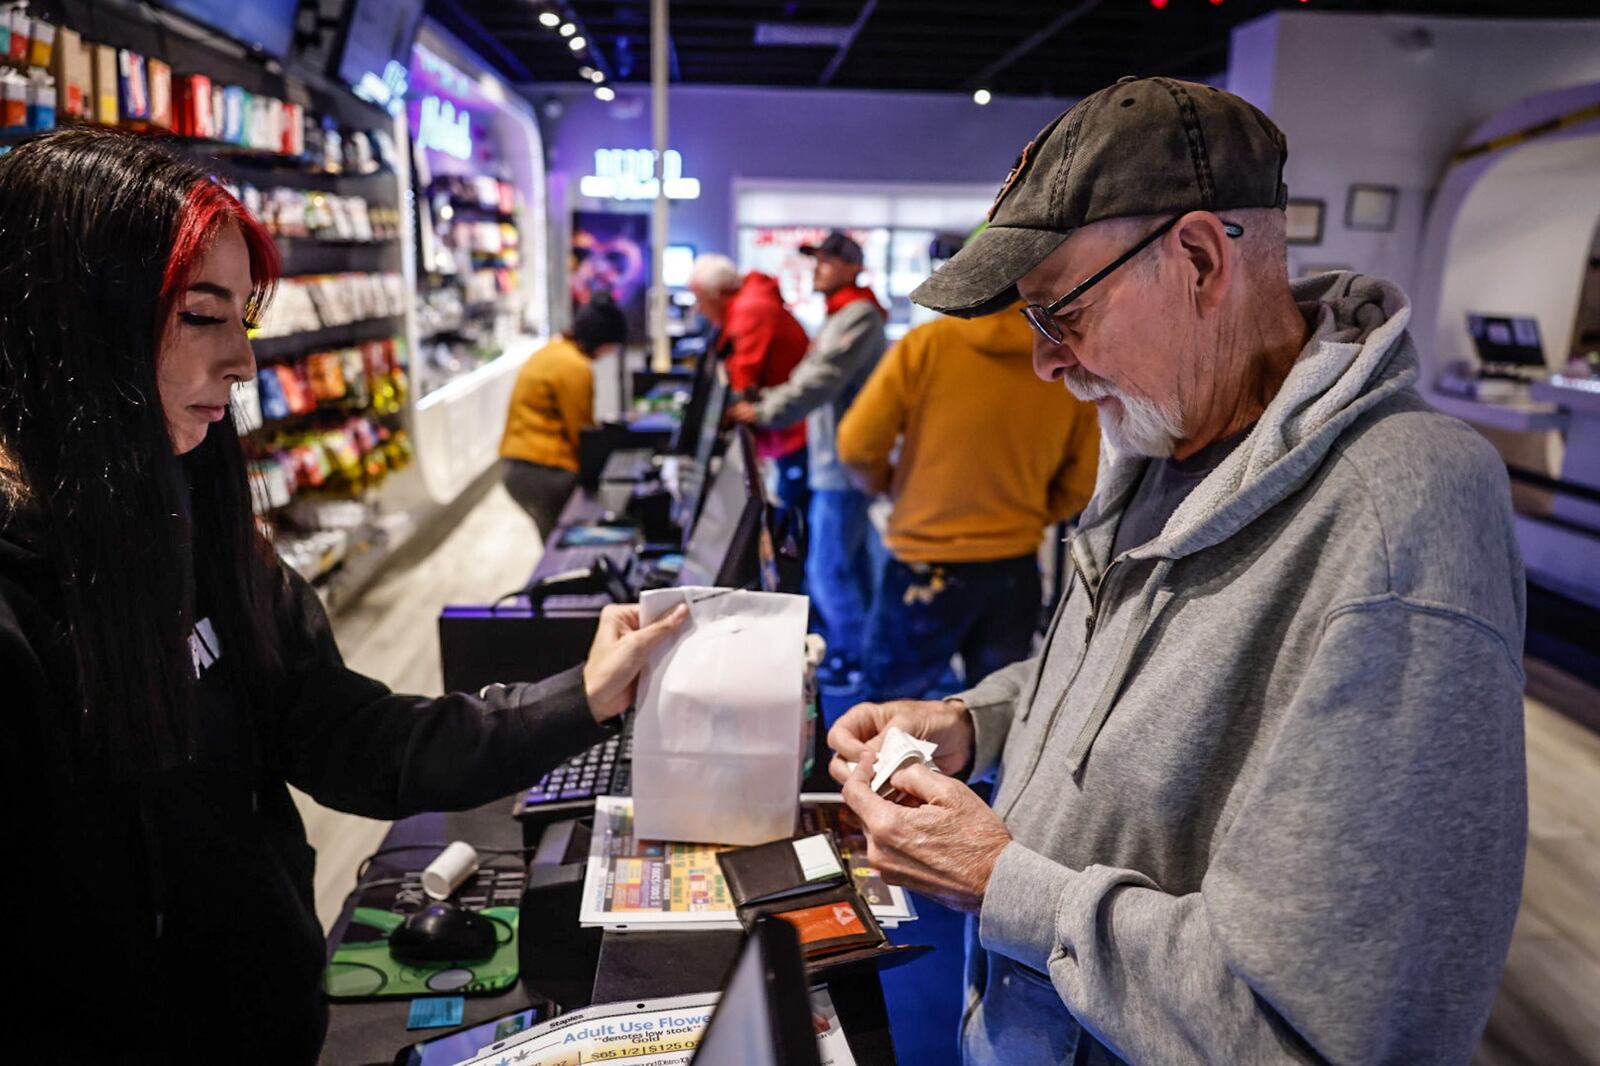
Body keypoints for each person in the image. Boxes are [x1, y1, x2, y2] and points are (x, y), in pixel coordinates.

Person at [829, 77, 1526, 1065]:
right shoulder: (1167, 441)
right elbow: (1139, 681)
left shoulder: (1400, 516)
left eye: (1058, 312)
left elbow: (1328, 1032)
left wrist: (1001, 882)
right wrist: (968, 723)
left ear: (1199, 258)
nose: (1044, 363)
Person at [0, 127, 687, 1064]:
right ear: (73, 323)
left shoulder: (202, 533)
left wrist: (583, 697)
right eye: (203, 316)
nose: (242, 363)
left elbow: (348, 735)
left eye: (242, 319)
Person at [836, 290, 1098, 703]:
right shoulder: (1065, 361)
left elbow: (856, 444)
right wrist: (1028, 516)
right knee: (991, 716)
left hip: (924, 562)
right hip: (1013, 566)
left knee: (888, 716)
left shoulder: (930, 345)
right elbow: (1083, 481)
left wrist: (888, 486)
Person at [728, 232, 888, 682]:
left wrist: (763, 410)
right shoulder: (842, 314)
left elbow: (819, 381)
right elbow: (810, 376)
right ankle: (865, 651)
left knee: (828, 568)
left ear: (852, 267)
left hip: (843, 464)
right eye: (816, 260)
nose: (818, 268)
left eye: (827, 261)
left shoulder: (858, 316)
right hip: (834, 459)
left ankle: (850, 659)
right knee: (851, 563)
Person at [687, 253, 811, 514]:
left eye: (700, 299)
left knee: (789, 519)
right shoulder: (749, 302)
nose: (699, 309)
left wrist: (719, 416)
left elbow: (742, 379)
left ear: (719, 293)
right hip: (783, 423)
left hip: (790, 428)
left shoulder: (750, 309)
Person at [500, 294, 627, 540]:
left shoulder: (552, 352)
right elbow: (582, 433)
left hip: (517, 467)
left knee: (552, 539)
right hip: (543, 471)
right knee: (566, 542)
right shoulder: (575, 367)